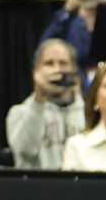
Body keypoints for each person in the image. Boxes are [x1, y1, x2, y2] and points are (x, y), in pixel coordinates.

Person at [7, 36, 86, 169]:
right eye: (49, 64)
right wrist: (39, 100)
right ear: (36, 73)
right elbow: (25, 151)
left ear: (74, 70)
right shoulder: (19, 113)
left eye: (63, 63)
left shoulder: (89, 114)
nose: (57, 70)